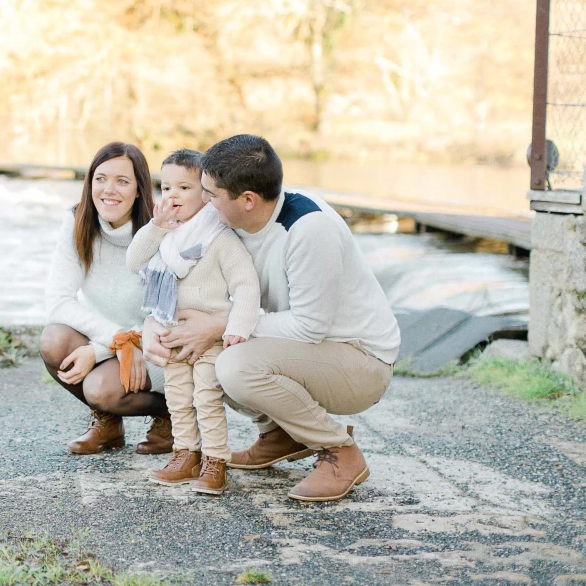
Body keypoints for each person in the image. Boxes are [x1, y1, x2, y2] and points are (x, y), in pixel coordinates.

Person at [142, 134, 400, 502]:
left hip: (359, 360)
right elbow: (179, 277)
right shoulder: (226, 221)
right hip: (305, 351)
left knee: (232, 365)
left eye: (210, 194)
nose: (203, 201)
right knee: (186, 354)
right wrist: (155, 323)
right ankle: (282, 434)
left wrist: (222, 324)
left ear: (247, 200)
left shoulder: (309, 229)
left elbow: (309, 327)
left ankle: (341, 452)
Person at [125, 149, 260, 494]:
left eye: (184, 188)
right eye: (165, 187)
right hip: (174, 334)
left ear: (206, 193)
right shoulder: (165, 237)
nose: (172, 195)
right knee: (178, 397)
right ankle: (185, 454)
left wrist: (238, 328)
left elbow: (246, 284)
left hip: (210, 338)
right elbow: (133, 260)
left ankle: (215, 460)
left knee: (206, 395)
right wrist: (155, 227)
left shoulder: (220, 238)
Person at [39, 141, 172, 455]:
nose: (108, 190)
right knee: (54, 339)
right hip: (118, 340)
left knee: (100, 388)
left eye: (122, 181)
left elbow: (168, 315)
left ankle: (173, 415)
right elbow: (58, 301)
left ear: (139, 189)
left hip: (155, 346)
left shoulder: (160, 231)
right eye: (101, 179)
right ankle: (108, 425)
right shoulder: (77, 222)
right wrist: (116, 342)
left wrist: (114, 346)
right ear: (90, 183)